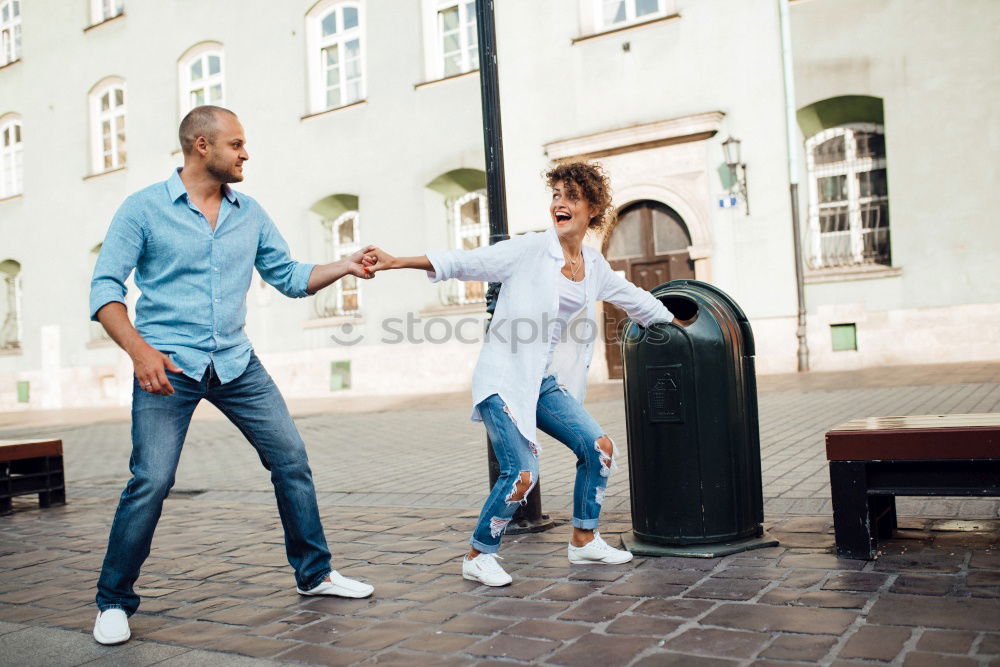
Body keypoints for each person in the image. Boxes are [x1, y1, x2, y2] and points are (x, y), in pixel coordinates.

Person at [88, 105, 376, 646]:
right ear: (202, 145)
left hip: (238, 363)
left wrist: (345, 265)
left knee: (291, 460)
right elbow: (105, 290)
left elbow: (288, 277)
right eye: (237, 144)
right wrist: (140, 353)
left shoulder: (250, 212)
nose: (246, 154)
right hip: (168, 367)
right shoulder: (143, 210)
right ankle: (113, 600)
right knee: (151, 479)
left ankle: (315, 575)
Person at [365, 162, 674, 586]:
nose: (559, 204)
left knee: (598, 447)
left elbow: (634, 298)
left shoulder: (592, 263)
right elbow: (466, 261)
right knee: (523, 473)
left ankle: (584, 541)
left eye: (571, 197)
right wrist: (396, 260)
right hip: (503, 379)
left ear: (593, 209)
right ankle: (479, 555)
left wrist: (675, 323)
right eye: (556, 196)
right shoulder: (530, 250)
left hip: (543, 382)